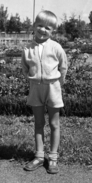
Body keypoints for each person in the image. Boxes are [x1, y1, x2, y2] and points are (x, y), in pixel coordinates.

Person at [21, 10, 68, 174]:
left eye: (48, 28)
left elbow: (63, 67)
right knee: (39, 123)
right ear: (34, 26)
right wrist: (33, 79)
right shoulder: (27, 48)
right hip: (35, 89)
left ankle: (53, 157)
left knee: (54, 124)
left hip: (53, 89)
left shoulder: (56, 47)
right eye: (40, 25)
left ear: (52, 31)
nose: (43, 30)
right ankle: (39, 156)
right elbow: (24, 68)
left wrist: (58, 84)